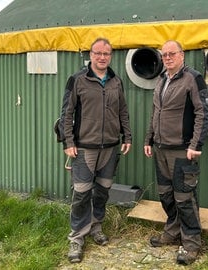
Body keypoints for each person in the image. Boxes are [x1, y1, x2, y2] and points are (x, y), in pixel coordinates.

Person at [61, 37, 132, 263]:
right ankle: (77, 237)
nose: (102, 57)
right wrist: (68, 142)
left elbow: (122, 110)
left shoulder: (115, 81)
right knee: (81, 193)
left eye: (106, 53)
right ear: (90, 55)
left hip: (110, 147)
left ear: (111, 56)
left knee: (102, 191)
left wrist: (127, 135)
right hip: (84, 148)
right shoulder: (77, 80)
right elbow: (67, 113)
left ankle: (96, 226)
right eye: (98, 53)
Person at [144, 40, 208, 265]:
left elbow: (203, 112)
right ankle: (172, 232)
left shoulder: (193, 78)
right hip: (160, 149)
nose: (168, 58)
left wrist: (195, 145)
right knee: (166, 195)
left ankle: (191, 243)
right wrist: (149, 139)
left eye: (172, 54)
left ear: (182, 55)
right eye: (164, 55)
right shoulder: (162, 79)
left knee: (184, 197)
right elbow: (155, 111)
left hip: (182, 150)